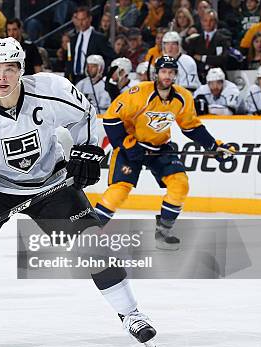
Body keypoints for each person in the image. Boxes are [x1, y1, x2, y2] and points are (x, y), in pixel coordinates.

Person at [0, 37, 157, 347]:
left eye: (10, 68)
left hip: (51, 183)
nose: (3, 77)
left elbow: (87, 116)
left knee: (93, 244)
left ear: (21, 69)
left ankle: (131, 315)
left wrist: (88, 150)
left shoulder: (51, 89)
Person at [95, 57, 235, 250]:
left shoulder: (183, 97)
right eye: (164, 71)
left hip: (159, 147)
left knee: (180, 185)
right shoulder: (138, 93)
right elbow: (111, 118)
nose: (167, 76)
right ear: (156, 74)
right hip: (132, 146)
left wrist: (213, 145)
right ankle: (89, 232)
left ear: (175, 74)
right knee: (118, 191)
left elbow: (191, 127)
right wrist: (127, 144)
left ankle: (163, 232)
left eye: (171, 72)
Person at [70, 6, 116, 83]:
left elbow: (111, 56)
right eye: (78, 19)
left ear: (90, 19)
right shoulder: (73, 38)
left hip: (92, 80)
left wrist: (100, 72)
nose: (81, 23)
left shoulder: (99, 38)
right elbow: (70, 59)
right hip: (74, 79)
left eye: (83, 19)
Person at [185, 9, 230, 81]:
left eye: (211, 20)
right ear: (201, 22)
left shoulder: (224, 39)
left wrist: (203, 58)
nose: (208, 23)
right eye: (205, 20)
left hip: (218, 79)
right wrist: (211, 60)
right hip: (200, 79)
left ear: (216, 22)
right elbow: (190, 61)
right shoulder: (194, 41)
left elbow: (222, 59)